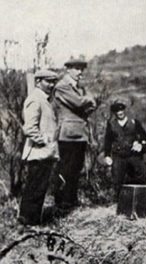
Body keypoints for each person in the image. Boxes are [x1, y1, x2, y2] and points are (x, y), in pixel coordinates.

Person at [53, 59, 97, 211]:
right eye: (77, 69)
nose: (80, 72)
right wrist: (89, 99)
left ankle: (71, 200)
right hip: (68, 133)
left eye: (82, 69)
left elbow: (90, 107)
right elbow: (79, 103)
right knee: (66, 168)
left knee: (76, 169)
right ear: (68, 70)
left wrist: (88, 101)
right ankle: (61, 200)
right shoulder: (62, 86)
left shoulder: (78, 87)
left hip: (80, 133)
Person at [19, 70, 59, 225]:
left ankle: (32, 222)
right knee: (34, 189)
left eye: (53, 82)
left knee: (39, 189)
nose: (51, 85)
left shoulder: (45, 100)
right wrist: (44, 141)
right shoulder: (35, 99)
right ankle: (28, 222)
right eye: (47, 81)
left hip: (45, 153)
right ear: (38, 82)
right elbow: (29, 128)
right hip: (38, 152)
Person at [103, 99, 146, 201]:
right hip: (118, 156)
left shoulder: (134, 122)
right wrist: (107, 155)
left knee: (144, 174)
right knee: (117, 179)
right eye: (117, 110)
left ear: (124, 110)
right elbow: (107, 141)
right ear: (114, 112)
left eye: (121, 110)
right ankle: (119, 203)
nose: (120, 112)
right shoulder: (111, 124)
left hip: (133, 155)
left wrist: (140, 145)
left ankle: (143, 201)